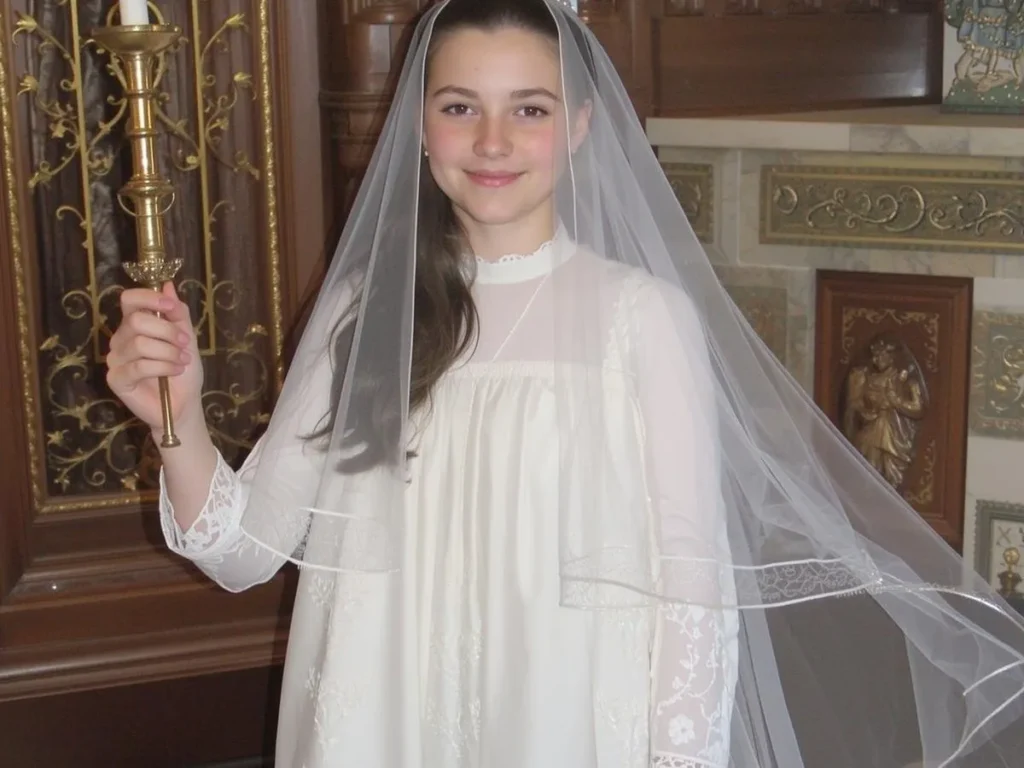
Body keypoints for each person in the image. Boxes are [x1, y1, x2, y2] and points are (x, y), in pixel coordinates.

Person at [106, 1, 1024, 766]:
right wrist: (177, 419)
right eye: (460, 106)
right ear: (418, 127)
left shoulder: (640, 319)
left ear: (581, 126)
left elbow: (693, 601)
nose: (494, 139)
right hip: (381, 724)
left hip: (565, 727)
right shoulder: (364, 314)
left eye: (531, 109)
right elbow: (243, 554)